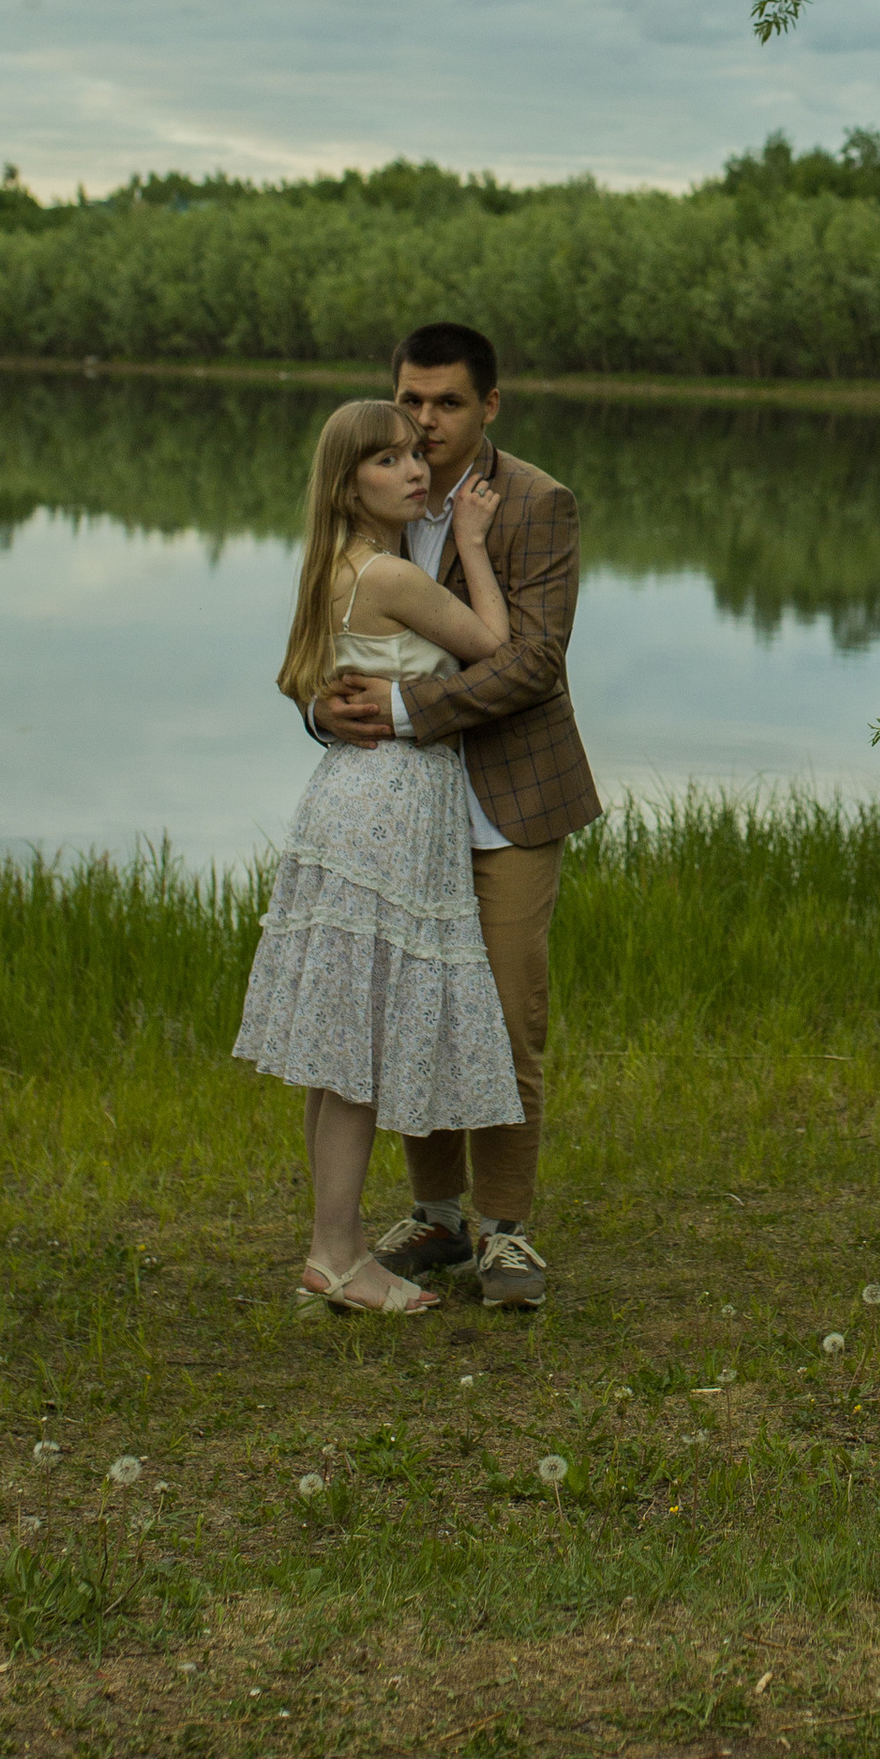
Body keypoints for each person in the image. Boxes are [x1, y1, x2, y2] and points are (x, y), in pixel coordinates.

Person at [313, 321, 602, 1308]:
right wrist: (324, 706)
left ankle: (507, 1233)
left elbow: (529, 662)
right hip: (404, 814)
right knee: (417, 1014)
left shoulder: (535, 502)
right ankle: (437, 1218)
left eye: (445, 403)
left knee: (510, 1013)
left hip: (510, 800)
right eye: (411, 399)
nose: (425, 422)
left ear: (489, 406)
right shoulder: (377, 486)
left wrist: (400, 712)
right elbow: (334, 630)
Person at [235, 397, 526, 1313]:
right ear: (348, 481)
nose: (414, 470)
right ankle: (338, 1256)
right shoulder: (390, 577)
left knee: (338, 1043)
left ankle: (338, 1243)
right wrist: (474, 544)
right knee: (356, 1041)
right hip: (392, 804)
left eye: (414, 455)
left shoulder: (335, 562)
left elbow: (313, 678)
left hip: (350, 801)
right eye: (389, 461)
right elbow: (493, 645)